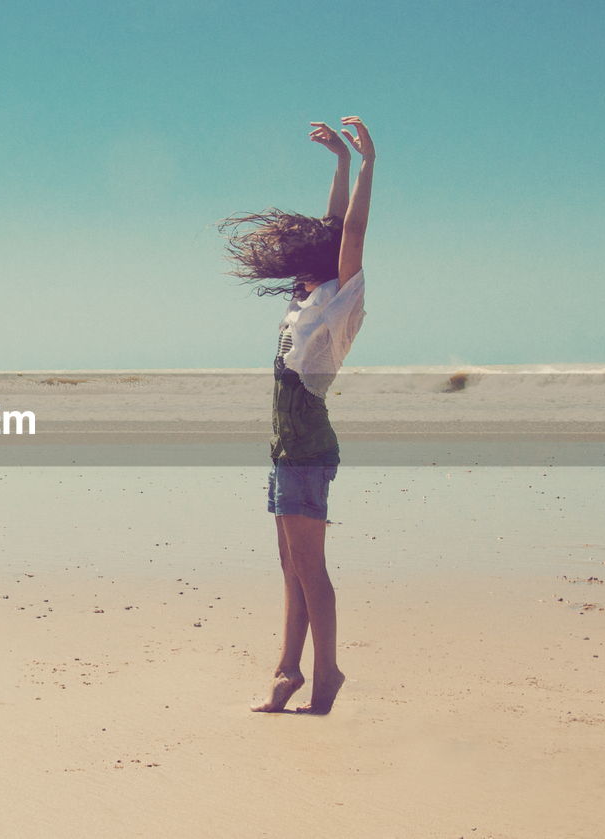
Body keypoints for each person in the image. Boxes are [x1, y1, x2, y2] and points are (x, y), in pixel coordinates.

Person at [220, 116, 375, 714]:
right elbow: (333, 227)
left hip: (307, 448)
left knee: (310, 570)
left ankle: (327, 673)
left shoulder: (340, 300)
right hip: (288, 449)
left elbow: (352, 232)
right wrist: (337, 166)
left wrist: (367, 165)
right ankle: (288, 673)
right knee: (291, 566)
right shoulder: (307, 296)